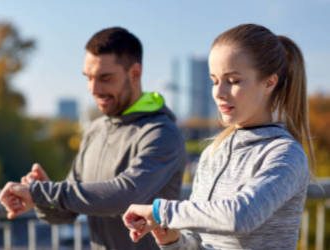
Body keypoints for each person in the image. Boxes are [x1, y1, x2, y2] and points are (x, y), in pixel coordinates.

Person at [122, 23, 312, 250]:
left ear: (269, 82)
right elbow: (199, 243)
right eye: (214, 81)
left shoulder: (285, 154)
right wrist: (173, 240)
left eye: (233, 81)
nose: (219, 93)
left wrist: (161, 211)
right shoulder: (214, 151)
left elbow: (240, 216)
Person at [0, 27, 187, 250]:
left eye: (105, 78)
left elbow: (124, 196)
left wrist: (42, 192)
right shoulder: (95, 130)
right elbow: (66, 214)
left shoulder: (162, 133)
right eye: (89, 78)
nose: (94, 89)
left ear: (135, 73)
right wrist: (42, 197)